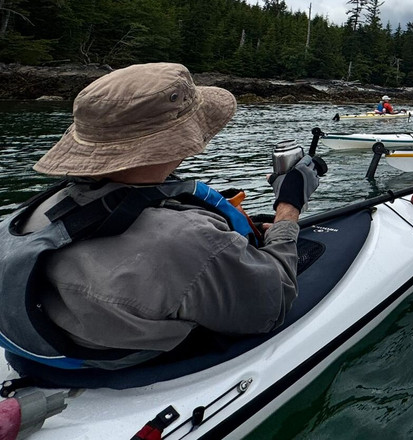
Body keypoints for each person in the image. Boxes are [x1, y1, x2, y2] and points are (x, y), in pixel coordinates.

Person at [0, 62, 323, 372]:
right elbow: (273, 303)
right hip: (120, 362)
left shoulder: (33, 209)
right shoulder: (186, 237)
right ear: (177, 140)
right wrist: (289, 205)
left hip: (46, 344)